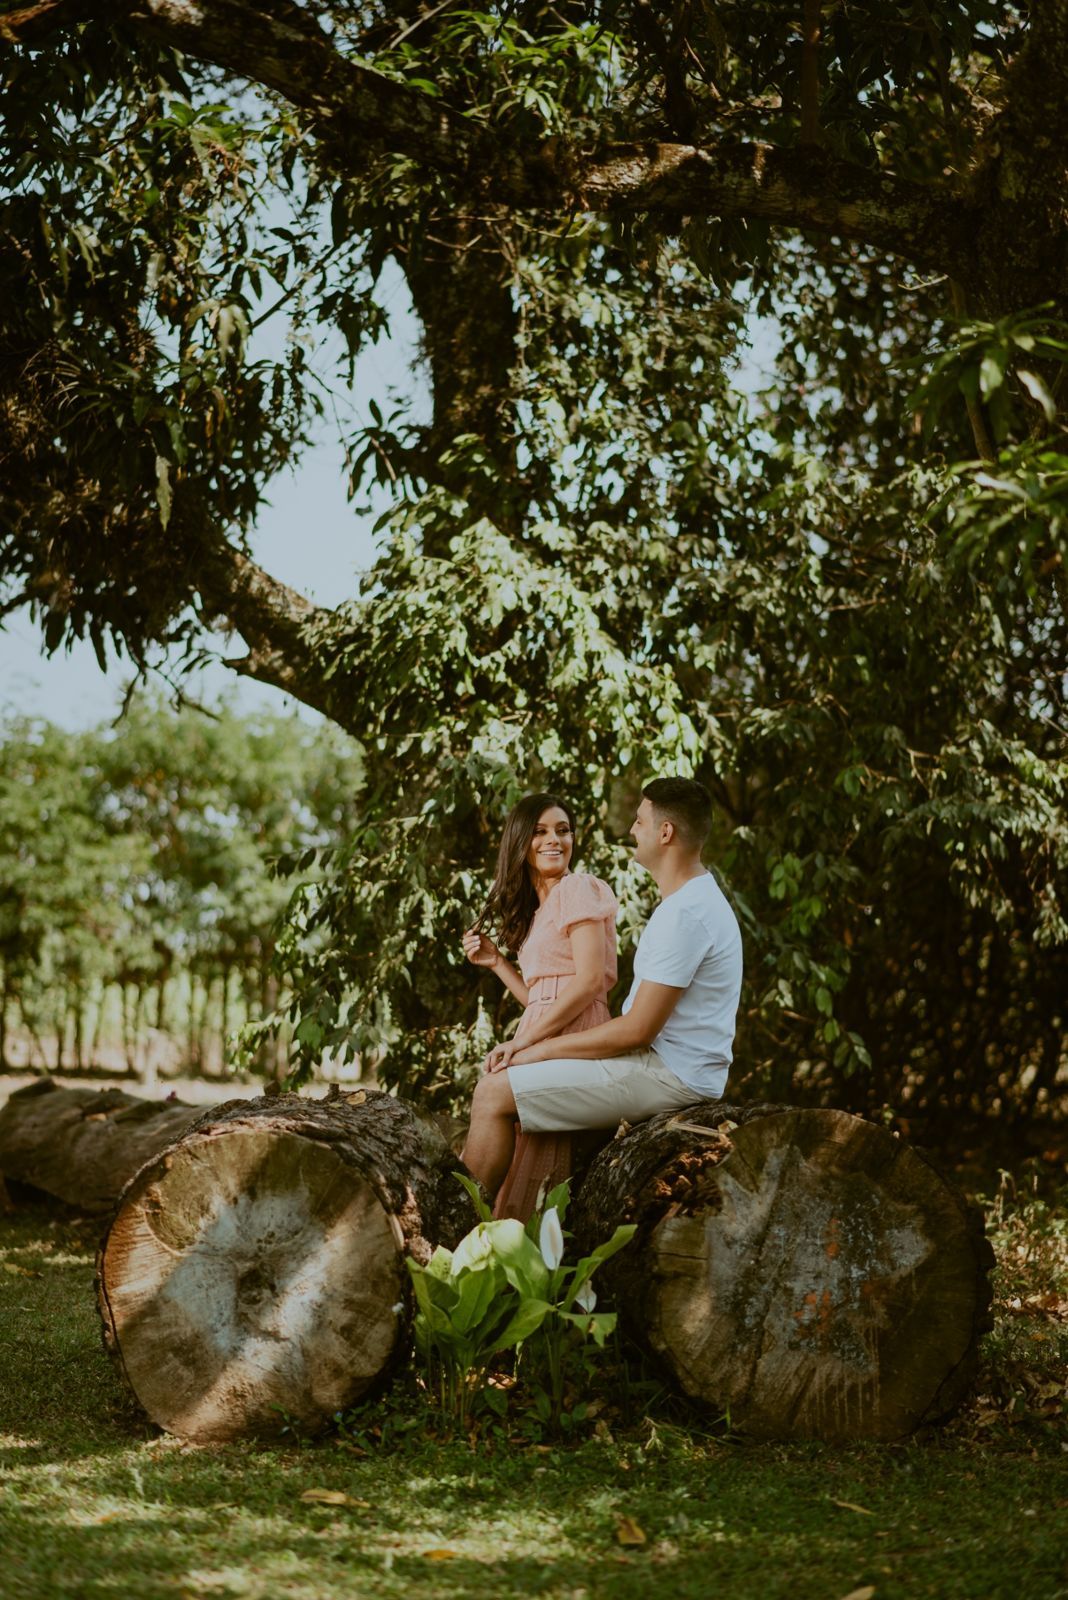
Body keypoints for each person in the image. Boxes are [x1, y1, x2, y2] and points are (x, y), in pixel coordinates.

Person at [462, 777, 742, 1200]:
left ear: (666, 833)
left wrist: (531, 1051)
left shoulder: (688, 913)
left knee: (494, 1091)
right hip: (660, 1064)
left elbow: (635, 1031)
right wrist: (501, 967)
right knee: (500, 1084)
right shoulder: (686, 904)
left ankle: (455, 1227)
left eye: (640, 821)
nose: (632, 830)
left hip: (672, 1075)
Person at [462, 792, 619, 1220]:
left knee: (497, 1099)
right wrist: (496, 962)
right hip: (545, 1026)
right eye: (540, 831)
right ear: (520, 842)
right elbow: (540, 997)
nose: (554, 840)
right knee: (513, 1123)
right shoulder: (538, 912)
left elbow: (587, 982)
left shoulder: (577, 887)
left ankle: (459, 1212)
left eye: (563, 831)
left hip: (576, 1030)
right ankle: (474, 1224)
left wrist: (522, 1045)